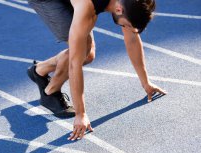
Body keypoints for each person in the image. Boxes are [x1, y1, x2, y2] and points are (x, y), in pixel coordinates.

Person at [27, 0, 166, 141]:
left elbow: (131, 39)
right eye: (126, 25)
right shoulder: (87, 7)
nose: (126, 28)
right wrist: (80, 114)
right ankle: (50, 92)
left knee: (88, 54)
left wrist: (145, 82)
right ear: (118, 9)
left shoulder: (126, 4)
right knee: (81, 53)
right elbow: (75, 64)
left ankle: (39, 71)